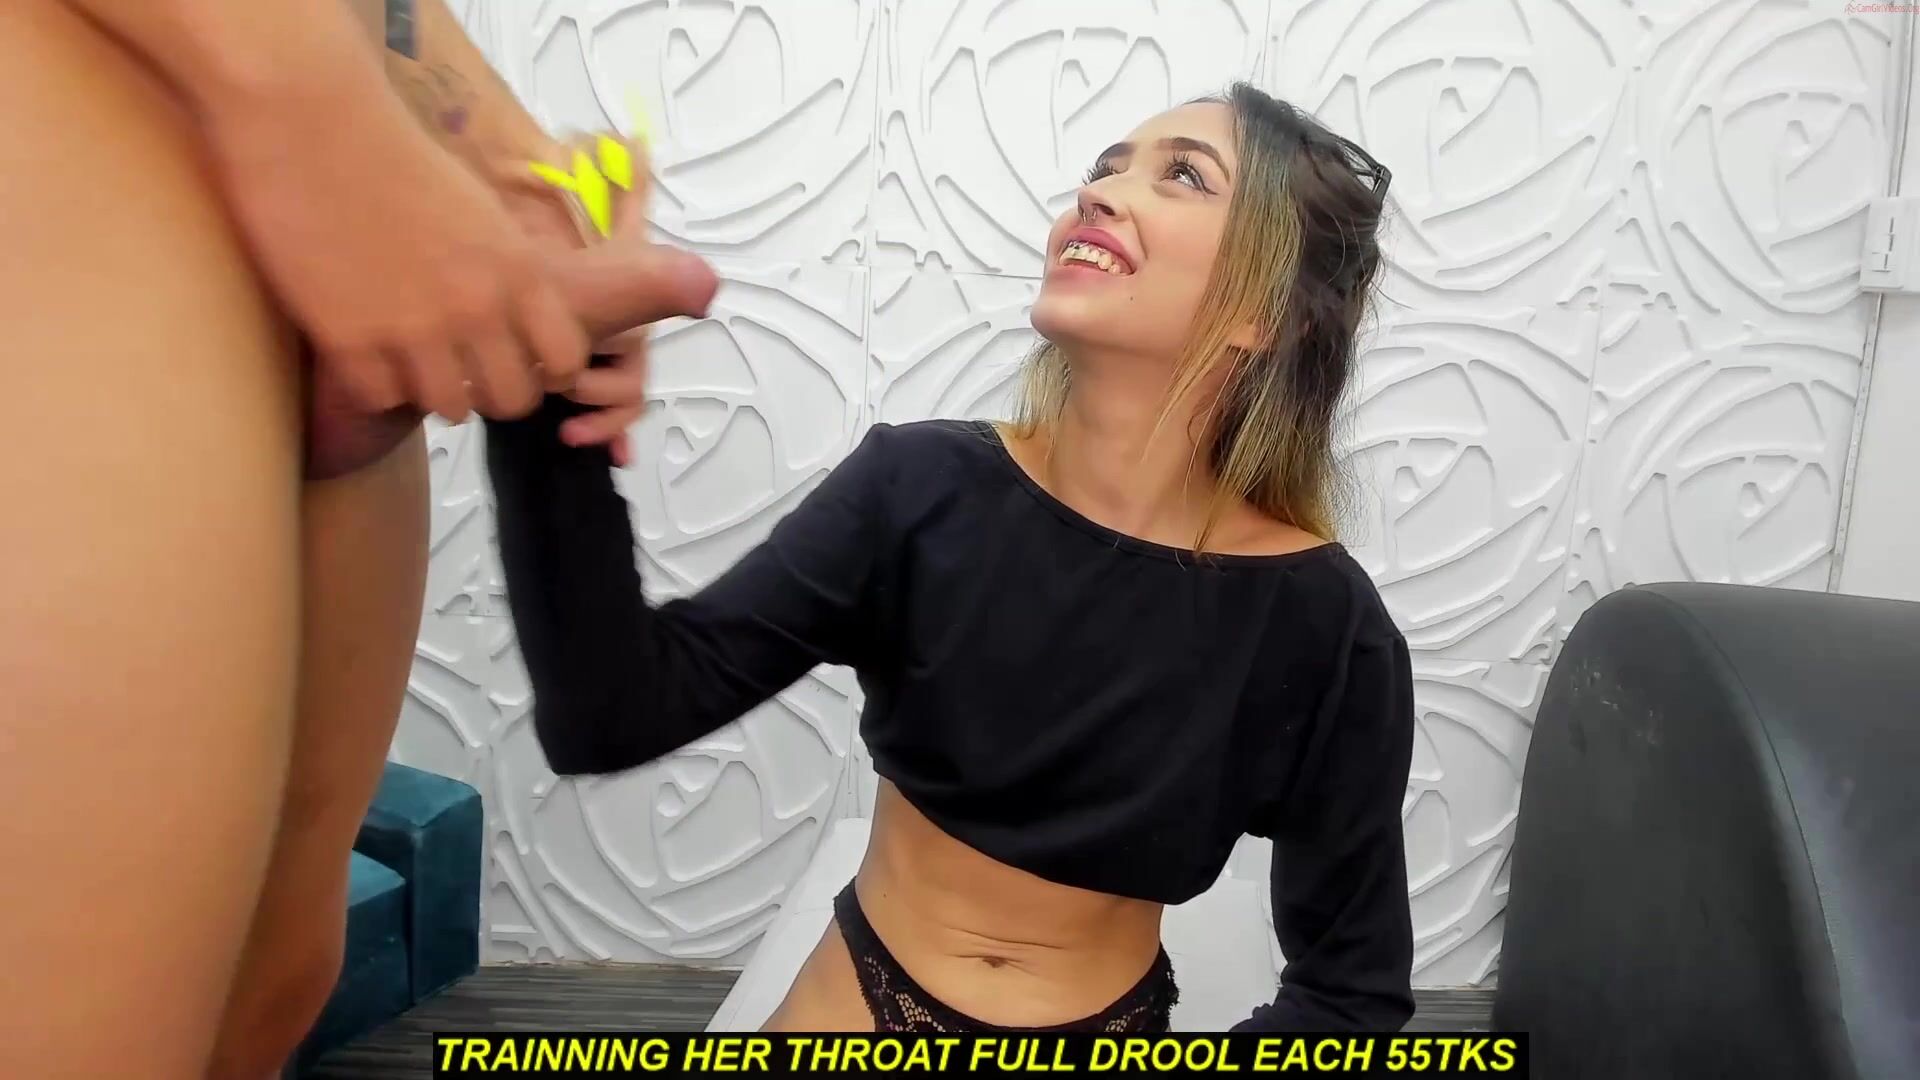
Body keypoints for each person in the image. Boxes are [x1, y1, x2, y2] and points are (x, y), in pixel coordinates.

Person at [500, 81, 1415, 1032]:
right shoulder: (920, 488)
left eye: (1183, 175)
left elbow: (1350, 992)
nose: (1098, 192)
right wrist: (551, 390)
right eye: (1105, 168)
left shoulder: (1326, 627)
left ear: (1269, 312)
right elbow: (611, 716)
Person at [0, 0, 713, 1076]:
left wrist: (511, 169)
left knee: (275, 985)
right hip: (98, 113)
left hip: (318, 137)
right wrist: (304, 95)